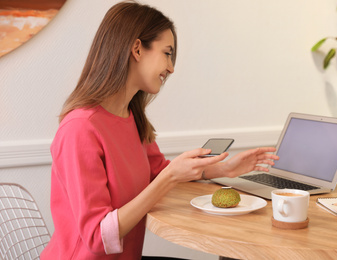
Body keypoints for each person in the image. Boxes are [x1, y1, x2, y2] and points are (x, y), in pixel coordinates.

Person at [40, 1, 279, 259]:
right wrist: (170, 177)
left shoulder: (132, 117)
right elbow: (98, 237)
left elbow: (156, 172)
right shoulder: (80, 129)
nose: (171, 68)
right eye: (167, 53)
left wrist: (224, 169)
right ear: (137, 49)